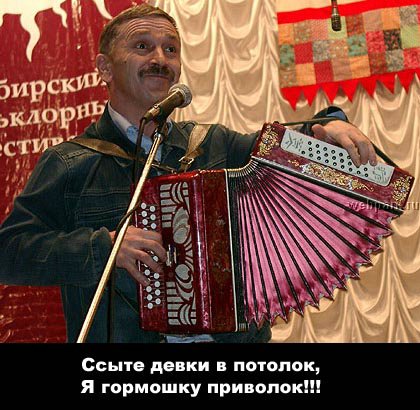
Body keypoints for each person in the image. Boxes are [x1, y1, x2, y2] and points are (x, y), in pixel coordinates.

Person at [0, 4, 377, 343]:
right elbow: (9, 252)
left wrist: (326, 126)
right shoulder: (70, 162)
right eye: (142, 47)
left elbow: (281, 145)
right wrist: (105, 248)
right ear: (104, 68)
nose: (160, 59)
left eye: (171, 49)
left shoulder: (214, 144)